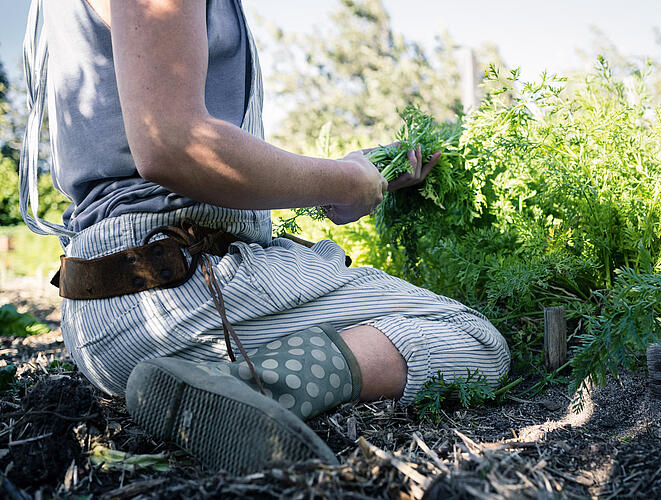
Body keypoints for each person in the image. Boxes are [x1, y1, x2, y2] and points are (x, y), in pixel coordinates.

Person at [21, 0, 511, 474]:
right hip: (182, 288)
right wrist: (343, 180)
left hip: (111, 304)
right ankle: (236, 387)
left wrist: (356, 172)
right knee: (471, 341)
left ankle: (200, 384)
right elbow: (171, 145)